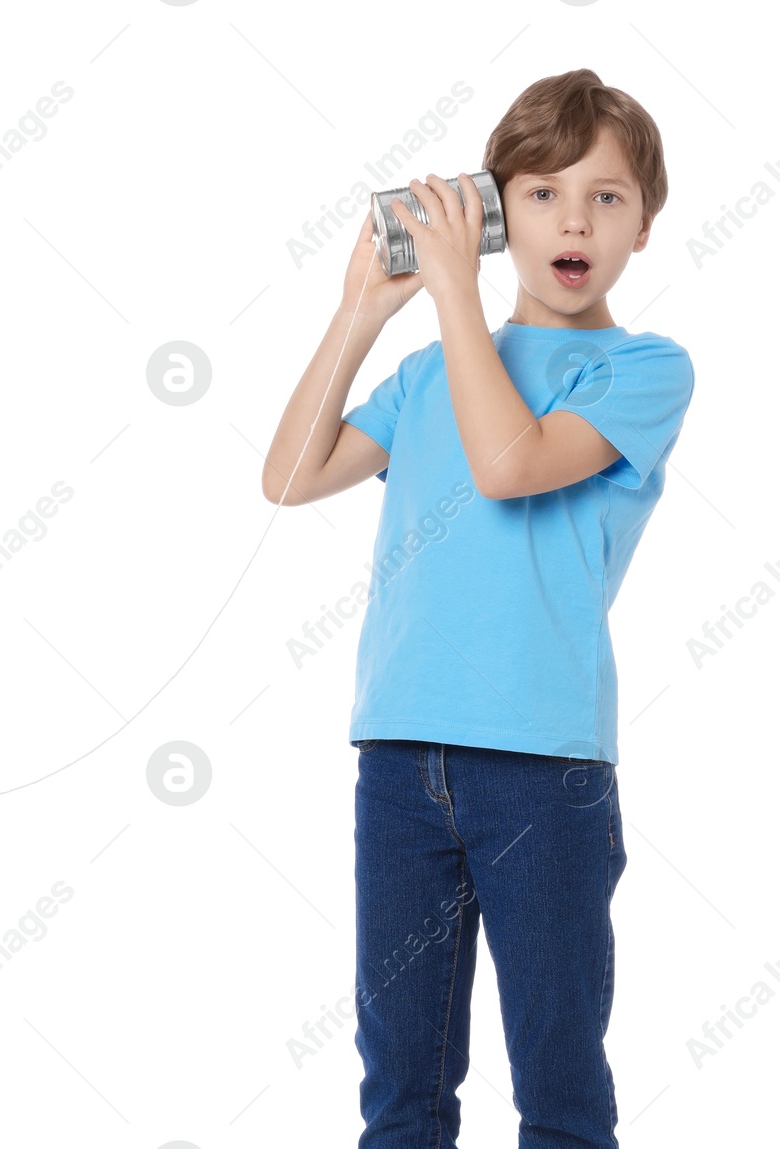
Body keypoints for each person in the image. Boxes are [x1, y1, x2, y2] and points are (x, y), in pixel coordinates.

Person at [260, 69, 693, 1148]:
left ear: (644, 224)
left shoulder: (642, 370)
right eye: (539, 194)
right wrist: (360, 309)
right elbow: (289, 473)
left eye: (605, 196)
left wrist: (456, 297)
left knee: (557, 1084)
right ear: (499, 216)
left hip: (541, 772)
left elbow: (509, 463)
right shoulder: (426, 372)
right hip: (400, 760)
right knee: (400, 1086)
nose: (573, 220)